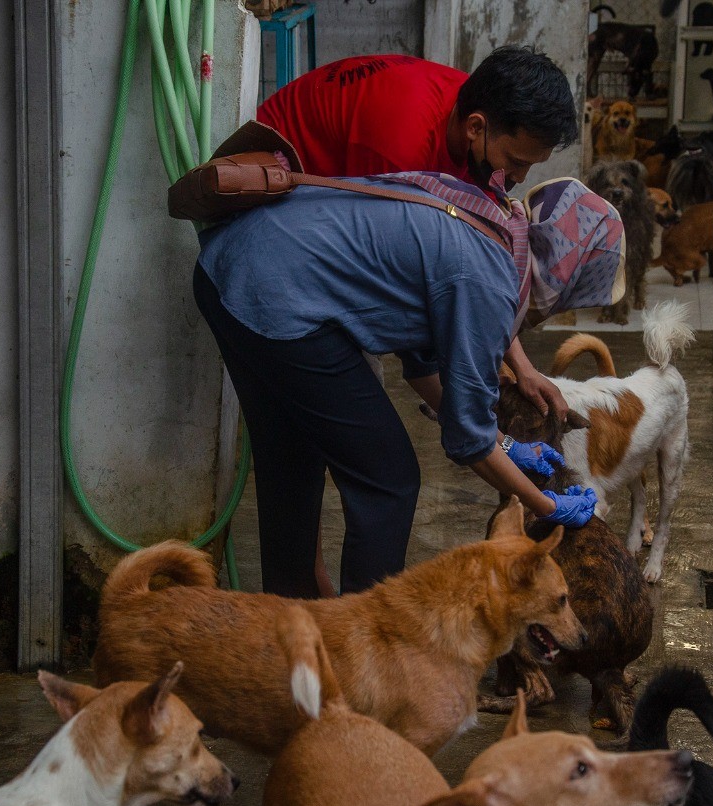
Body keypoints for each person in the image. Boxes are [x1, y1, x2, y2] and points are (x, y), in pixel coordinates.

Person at [193, 173, 624, 599]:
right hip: (275, 291)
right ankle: (363, 634)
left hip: (230, 265)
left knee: (290, 456)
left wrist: (508, 445)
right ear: (564, 277)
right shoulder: (489, 281)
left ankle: (290, 619)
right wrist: (546, 505)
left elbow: (423, 367)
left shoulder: (490, 227)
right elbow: (469, 440)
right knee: (388, 479)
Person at [257, 46, 583, 594]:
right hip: (280, 230)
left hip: (297, 259)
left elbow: (454, 302)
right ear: (476, 127)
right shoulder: (400, 144)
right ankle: (331, 606)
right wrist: (539, 495)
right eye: (515, 162)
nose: (514, 180)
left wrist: (521, 368)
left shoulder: (480, 113)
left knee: (320, 448)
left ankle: (303, 602)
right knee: (373, 469)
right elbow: (420, 320)